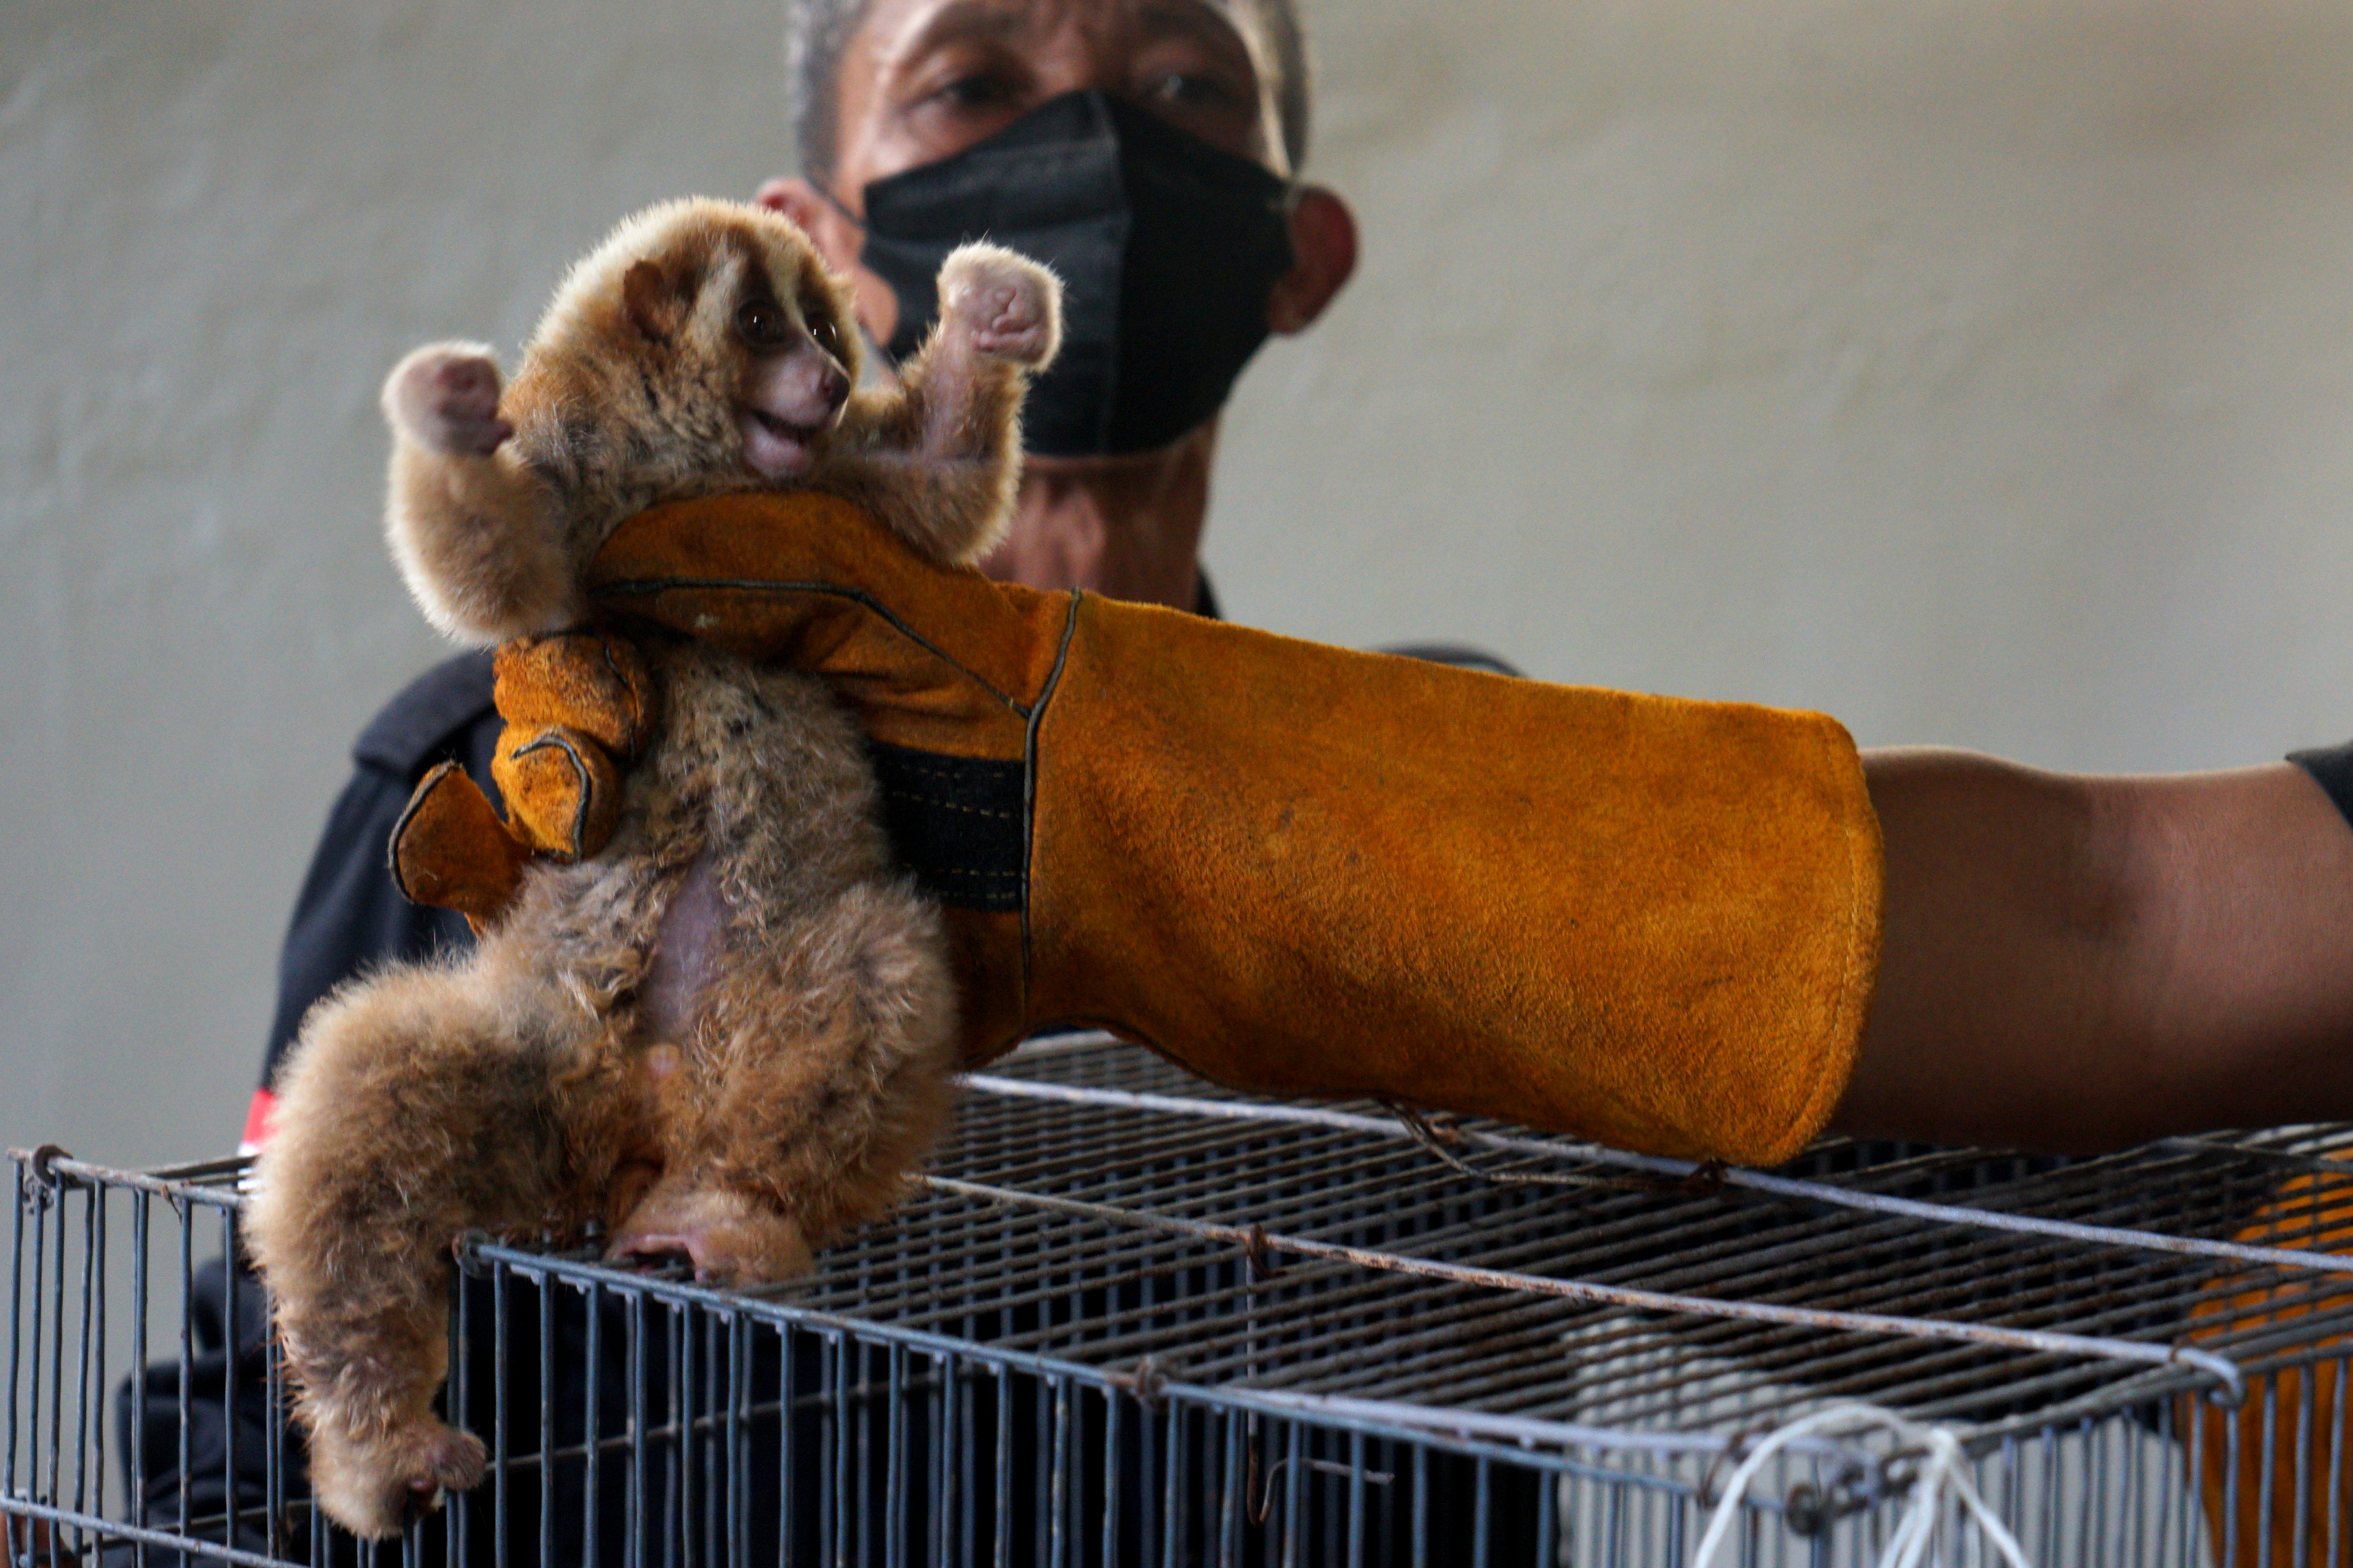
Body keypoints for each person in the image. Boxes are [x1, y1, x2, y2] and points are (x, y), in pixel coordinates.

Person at [134, 0, 2353, 1559]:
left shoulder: (1437, 781)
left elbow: (1904, 1136)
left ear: (1304, 254)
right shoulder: (533, 772)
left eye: (1184, 82)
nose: (1090, 140)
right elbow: (256, 1420)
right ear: (819, 232)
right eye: (978, 78)